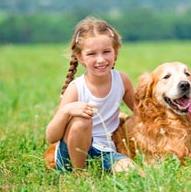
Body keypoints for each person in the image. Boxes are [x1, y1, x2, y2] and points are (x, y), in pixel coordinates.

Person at [46, 17, 136, 173]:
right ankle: (79, 174)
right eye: (92, 54)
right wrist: (67, 111)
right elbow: (51, 136)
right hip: (70, 156)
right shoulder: (76, 88)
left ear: (115, 51)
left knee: (131, 171)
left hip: (105, 151)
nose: (100, 59)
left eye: (106, 51)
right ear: (80, 57)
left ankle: (97, 167)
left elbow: (141, 112)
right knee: (82, 121)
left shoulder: (122, 81)